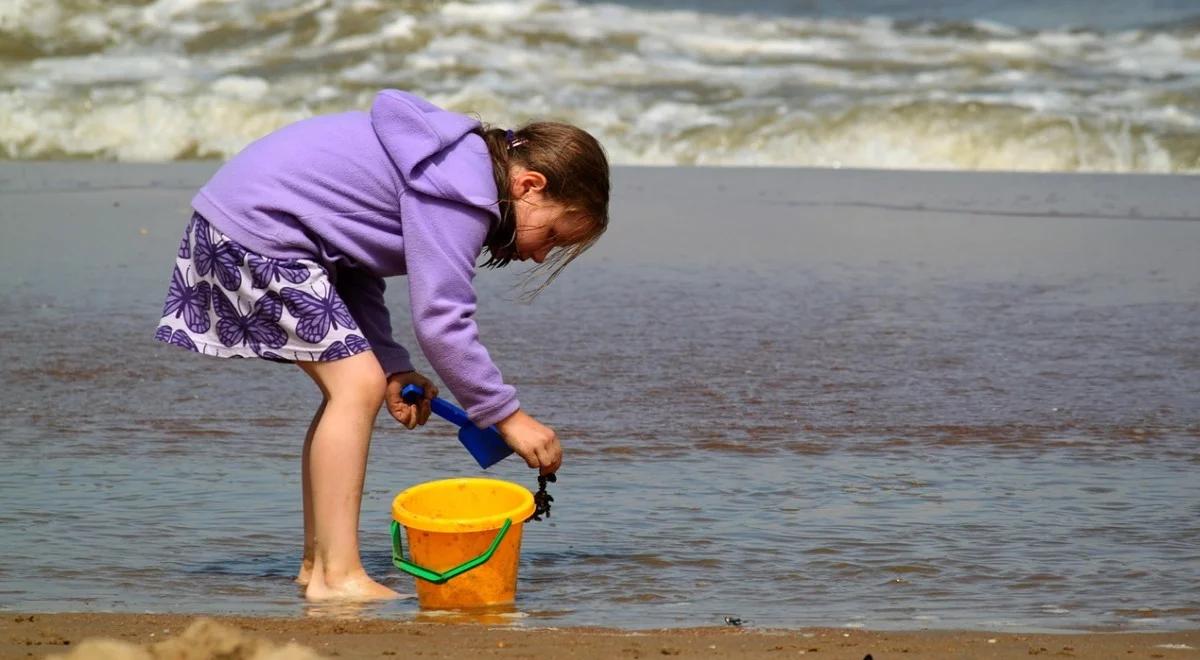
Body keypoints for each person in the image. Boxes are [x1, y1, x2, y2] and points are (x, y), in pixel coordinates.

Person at [153, 89, 610, 601]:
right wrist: (506, 416)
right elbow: (441, 319)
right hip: (258, 230)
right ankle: (339, 578)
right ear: (529, 185)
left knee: (359, 384)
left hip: (250, 224)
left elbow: (351, 261)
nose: (538, 256)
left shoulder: (450, 170)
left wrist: (392, 365)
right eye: (550, 236)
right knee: (356, 387)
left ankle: (319, 564)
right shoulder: (462, 190)